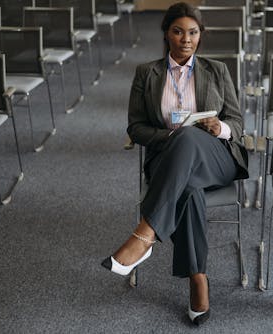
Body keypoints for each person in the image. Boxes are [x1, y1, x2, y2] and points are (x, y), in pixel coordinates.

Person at [101, 2, 248, 326]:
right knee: (189, 186)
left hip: (216, 159)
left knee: (191, 139)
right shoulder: (147, 73)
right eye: (178, 31)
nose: (185, 39)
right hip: (168, 160)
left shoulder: (217, 70)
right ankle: (198, 279)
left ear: (201, 36)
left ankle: (145, 233)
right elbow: (135, 127)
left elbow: (238, 123)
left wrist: (219, 128)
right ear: (167, 34)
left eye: (193, 32)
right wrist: (171, 137)